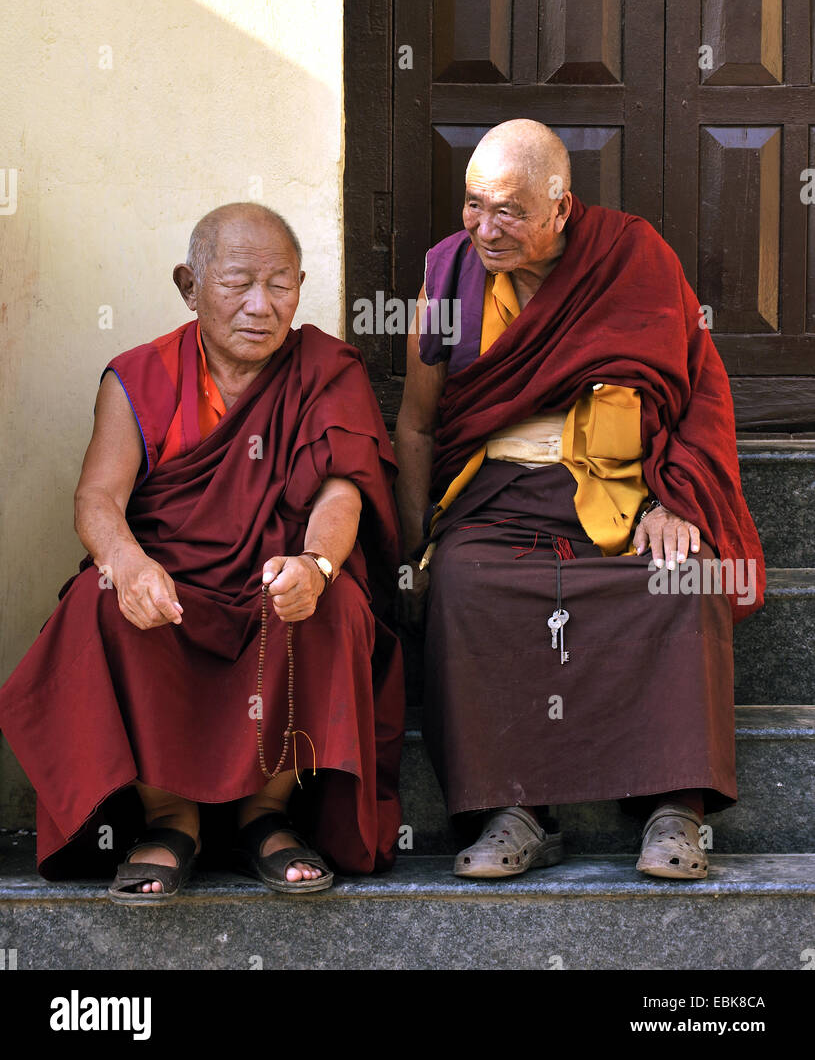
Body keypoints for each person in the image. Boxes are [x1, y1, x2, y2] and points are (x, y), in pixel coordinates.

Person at [394, 120, 764, 881]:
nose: (484, 229)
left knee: (682, 577)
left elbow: (699, 389)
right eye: (473, 205)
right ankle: (512, 810)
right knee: (466, 581)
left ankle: (674, 810)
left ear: (561, 208)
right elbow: (417, 421)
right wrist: (411, 549)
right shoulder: (448, 275)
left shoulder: (631, 257)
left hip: (621, 495)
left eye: (509, 212)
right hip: (494, 498)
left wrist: (678, 503)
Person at [0, 203, 404, 901]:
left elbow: (342, 493)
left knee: (331, 601)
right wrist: (126, 564)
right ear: (189, 286)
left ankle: (266, 813)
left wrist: (316, 565)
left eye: (280, 284)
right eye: (238, 282)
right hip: (174, 590)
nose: (260, 304)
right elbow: (97, 499)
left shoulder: (325, 369)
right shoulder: (139, 376)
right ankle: (168, 818)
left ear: (300, 287)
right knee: (102, 603)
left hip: (270, 584)